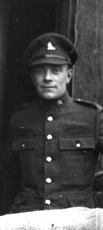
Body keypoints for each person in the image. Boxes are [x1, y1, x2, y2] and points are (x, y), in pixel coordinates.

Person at [8, 32, 103, 213]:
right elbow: (9, 176)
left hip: (78, 218)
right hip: (27, 217)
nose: (47, 78)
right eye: (39, 71)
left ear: (68, 75)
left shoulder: (92, 117)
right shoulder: (20, 118)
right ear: (32, 77)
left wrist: (96, 203)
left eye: (56, 70)